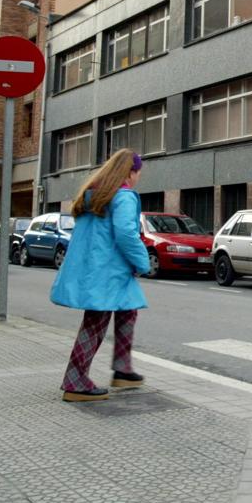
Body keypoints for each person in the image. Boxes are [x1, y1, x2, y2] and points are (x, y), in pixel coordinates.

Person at [50, 148, 151, 402]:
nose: (138, 178)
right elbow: (126, 234)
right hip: (108, 270)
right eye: (138, 173)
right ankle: (75, 381)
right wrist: (142, 262)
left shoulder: (96, 195)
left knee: (128, 309)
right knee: (96, 322)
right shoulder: (123, 197)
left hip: (99, 267)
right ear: (130, 172)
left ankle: (123, 368)